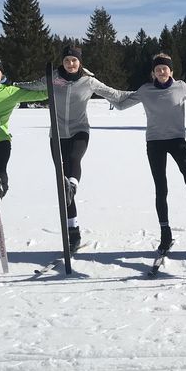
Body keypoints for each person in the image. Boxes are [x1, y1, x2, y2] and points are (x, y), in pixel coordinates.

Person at [92, 53, 186, 254]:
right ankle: (165, 233)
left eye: (165, 68)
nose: (162, 72)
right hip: (154, 142)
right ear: (153, 73)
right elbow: (120, 103)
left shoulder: (180, 87)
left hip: (176, 139)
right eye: (158, 69)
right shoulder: (145, 90)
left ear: (171, 71)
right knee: (160, 188)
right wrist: (96, 86)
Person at [16, 44, 116, 254]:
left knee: (74, 160)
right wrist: (11, 85)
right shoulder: (52, 78)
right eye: (67, 60)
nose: (70, 64)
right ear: (62, 61)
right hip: (57, 134)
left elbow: (113, 93)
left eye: (74, 60)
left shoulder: (88, 81)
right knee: (63, 190)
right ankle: (74, 232)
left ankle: (72, 184)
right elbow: (32, 86)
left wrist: (142, 95)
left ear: (80, 62)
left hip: (80, 131)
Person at [0, 56, 49, 255]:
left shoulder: (11, 93)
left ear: (2, 73)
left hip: (0, 142)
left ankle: (1, 186)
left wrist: (59, 83)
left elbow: (41, 95)